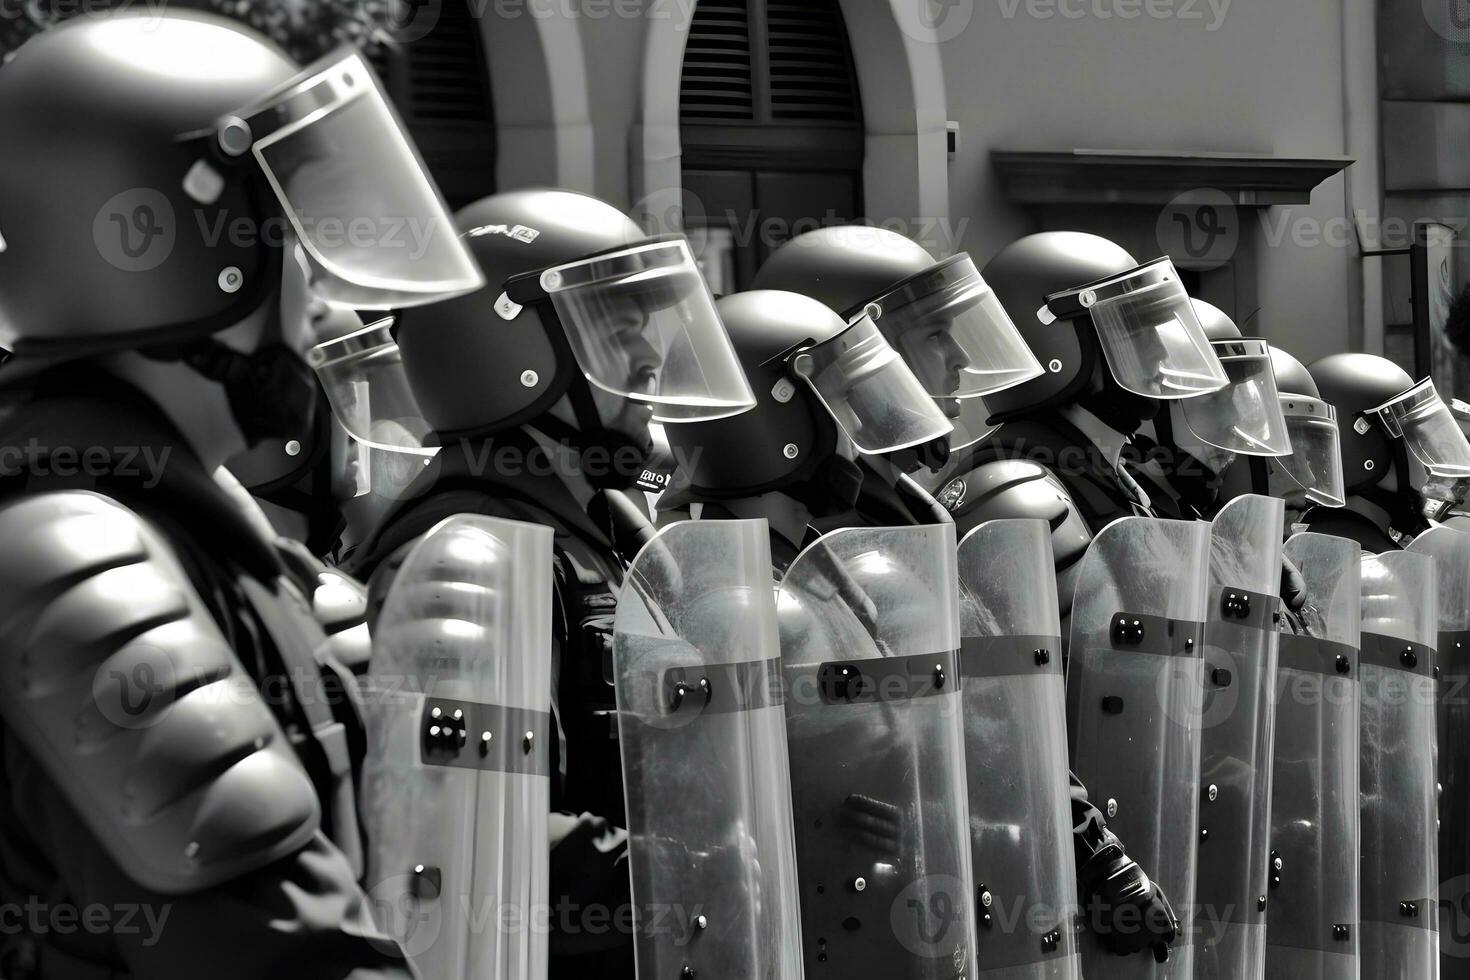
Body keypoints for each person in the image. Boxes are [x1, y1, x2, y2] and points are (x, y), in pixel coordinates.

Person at [0, 12, 488, 976]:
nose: (319, 295)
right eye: (293, 242)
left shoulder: (192, 528)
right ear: (180, 246)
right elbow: (281, 956)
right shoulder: (69, 560)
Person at [661, 287, 1181, 963]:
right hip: (832, 938)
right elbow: (742, 813)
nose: (862, 418)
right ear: (776, 419)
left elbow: (960, 743)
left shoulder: (839, 562)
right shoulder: (735, 598)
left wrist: (1040, 842)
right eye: (839, 398)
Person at [345, 188, 758, 978]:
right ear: (509, 349)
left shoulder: (593, 533)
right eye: (616, 325)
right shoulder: (470, 549)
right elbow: (460, 830)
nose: (648, 358)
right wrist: (677, 873)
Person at [1300, 354, 1470, 551]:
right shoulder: (1369, 566)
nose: (1427, 465)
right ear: (1363, 453)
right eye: (1414, 437)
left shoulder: (1329, 539)